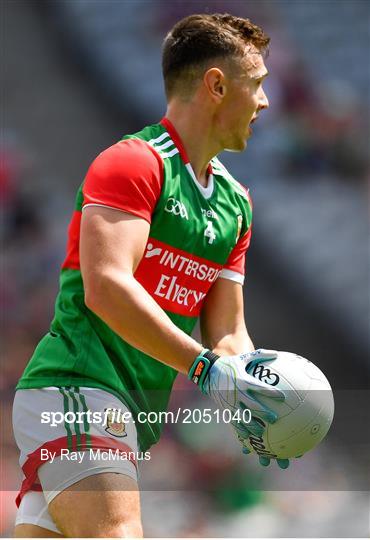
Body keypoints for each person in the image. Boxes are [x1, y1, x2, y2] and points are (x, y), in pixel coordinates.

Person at [13, 13, 289, 538]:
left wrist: (254, 394)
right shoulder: (134, 163)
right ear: (215, 84)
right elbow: (107, 287)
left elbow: (228, 332)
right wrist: (205, 369)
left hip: (129, 419)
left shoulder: (237, 204)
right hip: (77, 387)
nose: (264, 103)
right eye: (257, 85)